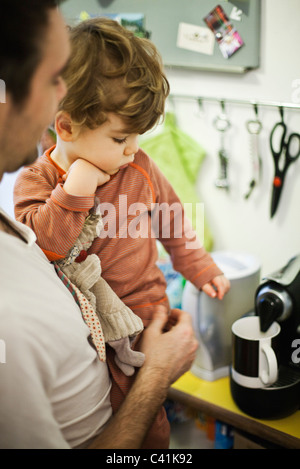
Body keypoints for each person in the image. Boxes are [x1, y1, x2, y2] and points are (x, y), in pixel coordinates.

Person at [13, 17, 230, 447]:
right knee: (122, 416)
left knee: (154, 425)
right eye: (120, 137)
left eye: (137, 137)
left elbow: (173, 217)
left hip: (149, 310)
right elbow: (47, 252)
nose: (133, 149)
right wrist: (73, 193)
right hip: (92, 332)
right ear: (68, 126)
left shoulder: (138, 167)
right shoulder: (36, 182)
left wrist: (200, 266)